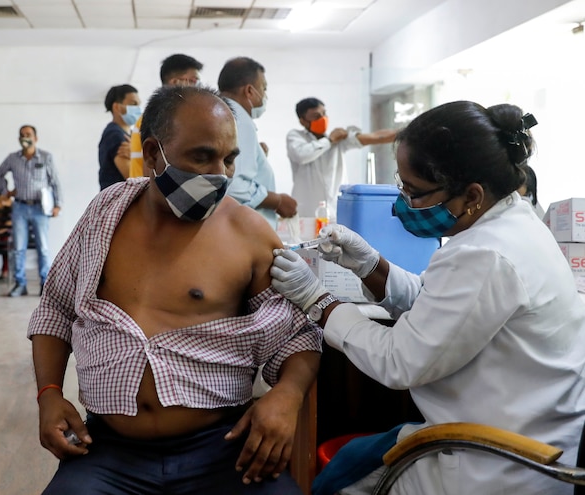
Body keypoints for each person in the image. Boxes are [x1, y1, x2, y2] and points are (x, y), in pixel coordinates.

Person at [270, 100, 585, 495]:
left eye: (415, 192)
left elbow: (398, 361)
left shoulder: (485, 254)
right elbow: (438, 302)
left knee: (338, 484)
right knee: (355, 461)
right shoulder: (514, 222)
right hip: (513, 433)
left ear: (471, 195)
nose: (402, 203)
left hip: (494, 462)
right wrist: (371, 265)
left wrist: (317, 301)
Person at [28, 85, 322, 494]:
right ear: (152, 154)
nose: (219, 174)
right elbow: (55, 310)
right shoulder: (104, 216)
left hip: (222, 449)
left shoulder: (249, 233)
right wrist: (49, 394)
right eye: (202, 156)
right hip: (109, 452)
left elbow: (297, 335)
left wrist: (287, 395)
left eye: (229, 159)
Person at [218, 57, 297, 229]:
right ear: (249, 91)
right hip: (243, 230)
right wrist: (277, 201)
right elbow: (235, 186)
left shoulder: (219, 112)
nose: (265, 95)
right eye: (264, 88)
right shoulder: (239, 118)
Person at [287, 97, 397, 218]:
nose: (322, 118)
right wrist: (329, 140)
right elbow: (302, 155)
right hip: (307, 213)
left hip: (335, 211)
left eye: (324, 113)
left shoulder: (339, 141)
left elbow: (373, 137)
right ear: (302, 121)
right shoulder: (296, 137)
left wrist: (405, 132)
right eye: (316, 116)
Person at [0, 124, 62, 297]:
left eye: (29, 134)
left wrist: (58, 205)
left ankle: (45, 284)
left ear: (35, 138)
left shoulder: (46, 157)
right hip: (20, 208)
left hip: (40, 208)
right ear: (19, 139)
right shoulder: (12, 158)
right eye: (22, 135)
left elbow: (55, 182)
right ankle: (20, 284)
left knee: (43, 248)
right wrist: (5, 192)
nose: (26, 137)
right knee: (18, 248)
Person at [129, 54, 204, 178]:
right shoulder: (160, 116)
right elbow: (151, 169)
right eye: (194, 80)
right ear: (175, 82)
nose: (198, 86)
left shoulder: (168, 115)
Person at [98, 84, 139, 190]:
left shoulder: (129, 135)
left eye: (139, 104)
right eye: (133, 104)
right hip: (118, 201)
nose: (138, 109)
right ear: (117, 107)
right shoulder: (115, 135)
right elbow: (133, 178)